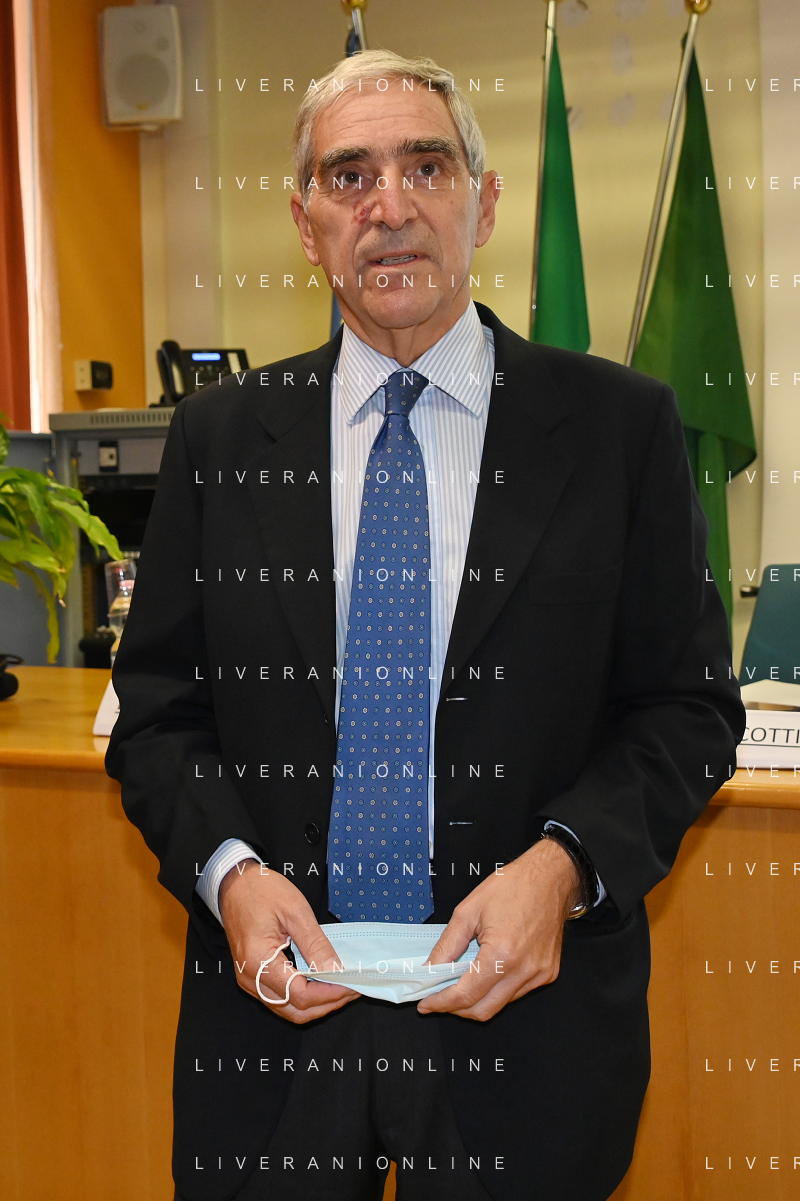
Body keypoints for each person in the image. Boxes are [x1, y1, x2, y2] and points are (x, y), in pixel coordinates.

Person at [107, 49, 744, 1201]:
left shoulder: (618, 430)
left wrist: (564, 866)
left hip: (526, 1028)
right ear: (306, 222)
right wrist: (230, 875)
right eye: (347, 176)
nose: (388, 206)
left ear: (483, 204)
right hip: (276, 1024)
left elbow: (685, 710)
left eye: (425, 167)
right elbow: (156, 716)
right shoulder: (219, 439)